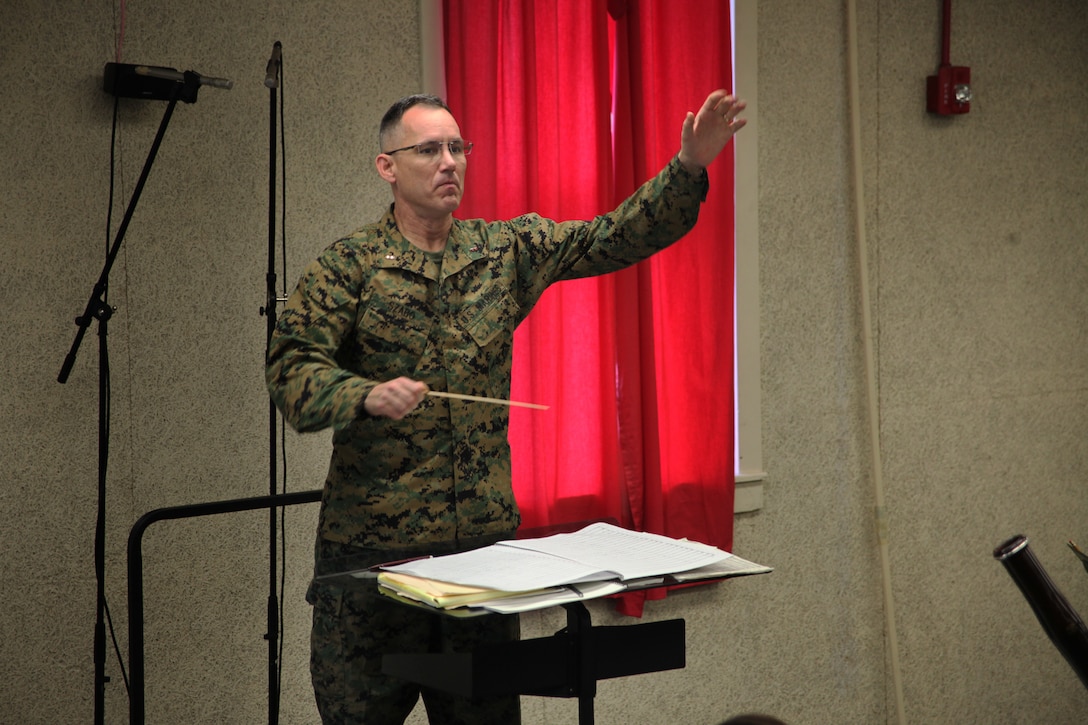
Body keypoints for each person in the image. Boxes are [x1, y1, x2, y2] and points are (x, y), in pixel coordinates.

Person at [266, 89, 746, 724]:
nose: (449, 162)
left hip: (479, 571)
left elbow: (612, 236)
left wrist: (687, 169)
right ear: (388, 166)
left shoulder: (502, 253)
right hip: (374, 574)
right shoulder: (348, 267)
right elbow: (290, 369)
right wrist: (362, 394)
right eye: (429, 149)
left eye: (457, 148)